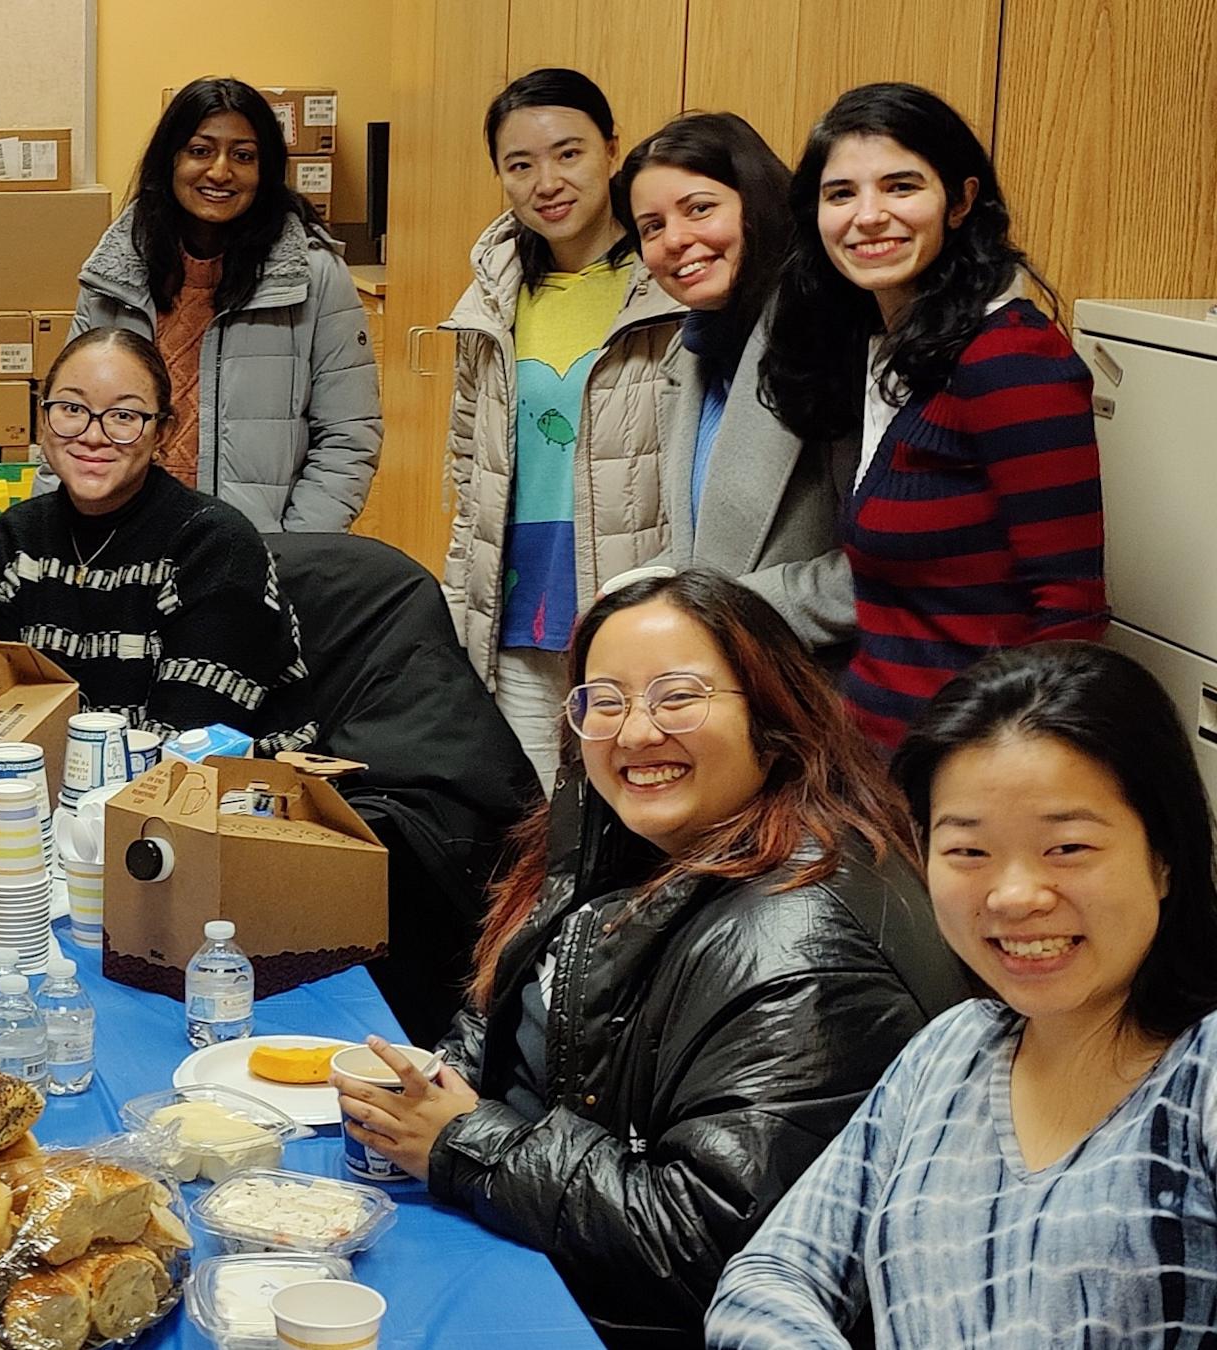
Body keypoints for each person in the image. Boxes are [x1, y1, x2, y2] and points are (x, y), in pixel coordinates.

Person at [330, 569, 965, 1347]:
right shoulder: (620, 832)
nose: (635, 733)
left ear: (773, 713)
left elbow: (707, 1241)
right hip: (545, 1239)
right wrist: (436, 1083)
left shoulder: (804, 942)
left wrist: (463, 1140)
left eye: (677, 697)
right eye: (607, 701)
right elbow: (512, 1011)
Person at [708, 642, 1217, 1345]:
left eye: (1066, 847)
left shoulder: (1202, 1078)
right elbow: (767, 1277)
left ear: (1165, 858)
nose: (1013, 896)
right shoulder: (950, 1053)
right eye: (968, 852)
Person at [760, 82, 1105, 748]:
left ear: (961, 201)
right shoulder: (897, 350)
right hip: (877, 762)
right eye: (841, 194)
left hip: (969, 776)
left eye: (900, 186)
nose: (868, 216)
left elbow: (1070, 616)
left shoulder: (1013, 357)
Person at [441, 69, 683, 791]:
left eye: (569, 153)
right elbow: (468, 465)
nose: (546, 181)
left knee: (634, 816)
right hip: (516, 606)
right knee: (538, 823)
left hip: (629, 599)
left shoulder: (667, 283)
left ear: (612, 149)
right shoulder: (492, 297)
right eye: (521, 165)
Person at [65, 76, 380, 534]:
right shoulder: (114, 272)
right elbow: (70, 420)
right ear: (169, 160)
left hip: (256, 553)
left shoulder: (313, 277)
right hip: (123, 545)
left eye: (243, 155)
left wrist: (291, 553)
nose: (219, 171)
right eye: (199, 150)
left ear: (266, 170)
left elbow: (348, 437)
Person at [0, 327, 309, 750]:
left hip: (236, 793)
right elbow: (6, 717)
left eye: (124, 416)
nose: (93, 435)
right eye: (71, 408)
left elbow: (189, 746)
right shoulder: (17, 538)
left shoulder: (214, 545)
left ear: (163, 433)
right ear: (43, 418)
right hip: (71, 788)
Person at [616, 112, 855, 657]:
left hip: (821, 685)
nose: (675, 240)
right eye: (651, 227)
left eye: (699, 209)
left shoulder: (831, 340)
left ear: (759, 203)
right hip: (727, 672)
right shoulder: (695, 347)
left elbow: (889, 568)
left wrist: (722, 611)